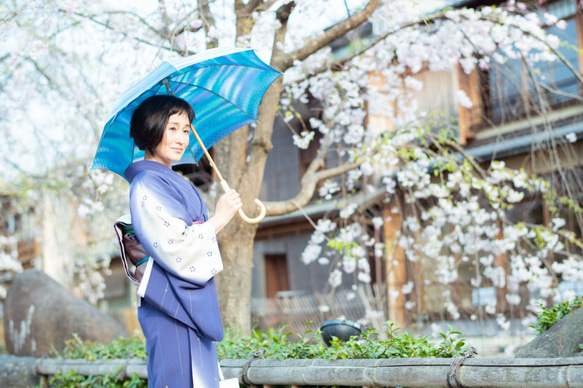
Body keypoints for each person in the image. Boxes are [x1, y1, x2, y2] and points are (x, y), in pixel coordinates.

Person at [124, 94, 242, 387]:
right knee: (177, 376)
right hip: (170, 301)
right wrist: (218, 219)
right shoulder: (146, 183)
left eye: (187, 130)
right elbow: (173, 246)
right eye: (172, 128)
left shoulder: (172, 181)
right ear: (151, 128)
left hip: (187, 298)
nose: (181, 138)